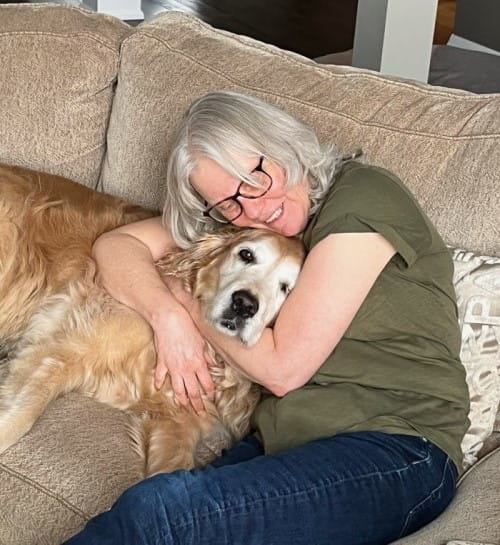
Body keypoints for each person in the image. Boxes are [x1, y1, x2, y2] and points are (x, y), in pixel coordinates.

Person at [64, 91, 469, 545]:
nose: (253, 207)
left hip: (397, 448)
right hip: (286, 444)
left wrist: (188, 300)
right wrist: (166, 317)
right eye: (228, 203)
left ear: (284, 145)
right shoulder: (246, 225)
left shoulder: (364, 197)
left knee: (160, 514)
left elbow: (284, 370)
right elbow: (116, 247)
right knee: (164, 506)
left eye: (254, 175)